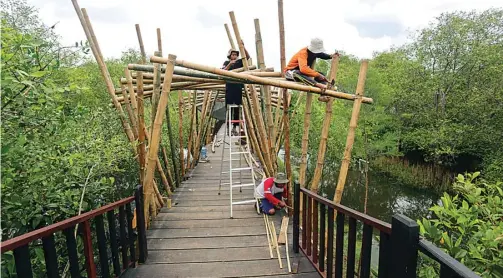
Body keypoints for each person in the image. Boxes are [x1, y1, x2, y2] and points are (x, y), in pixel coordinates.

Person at [221, 45, 250, 135]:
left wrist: (243, 47)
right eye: (232, 55)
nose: (234, 56)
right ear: (229, 56)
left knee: (237, 107)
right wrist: (230, 64)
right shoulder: (226, 63)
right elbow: (222, 71)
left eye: (235, 55)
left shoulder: (239, 63)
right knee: (228, 107)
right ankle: (228, 127)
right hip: (229, 88)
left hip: (237, 87)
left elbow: (247, 57)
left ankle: (234, 127)